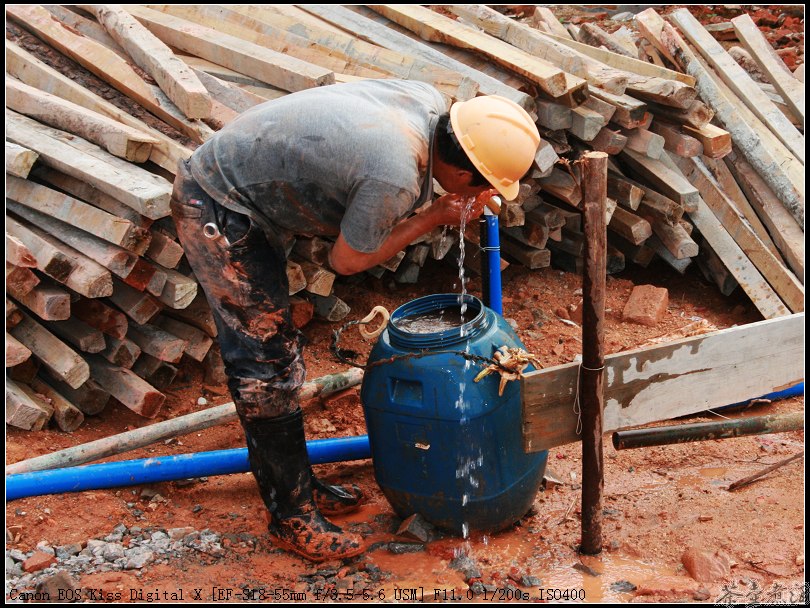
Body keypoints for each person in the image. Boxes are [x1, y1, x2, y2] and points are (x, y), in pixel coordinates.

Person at [170, 79, 541, 563]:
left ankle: (297, 484)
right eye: (485, 184)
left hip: (244, 182)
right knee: (268, 366)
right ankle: (291, 516)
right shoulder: (395, 175)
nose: (488, 194)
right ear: (463, 170)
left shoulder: (428, 103)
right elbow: (346, 260)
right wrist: (432, 218)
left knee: (279, 356)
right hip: (216, 204)